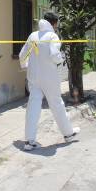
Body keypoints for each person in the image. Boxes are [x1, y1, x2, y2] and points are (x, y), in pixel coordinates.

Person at [19, 12, 79, 151]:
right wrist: (61, 59)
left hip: (33, 76)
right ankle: (68, 134)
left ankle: (29, 141)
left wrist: (25, 65)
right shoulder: (52, 36)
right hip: (49, 77)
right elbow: (54, 55)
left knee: (33, 106)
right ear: (54, 23)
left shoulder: (33, 36)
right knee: (57, 104)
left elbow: (22, 55)